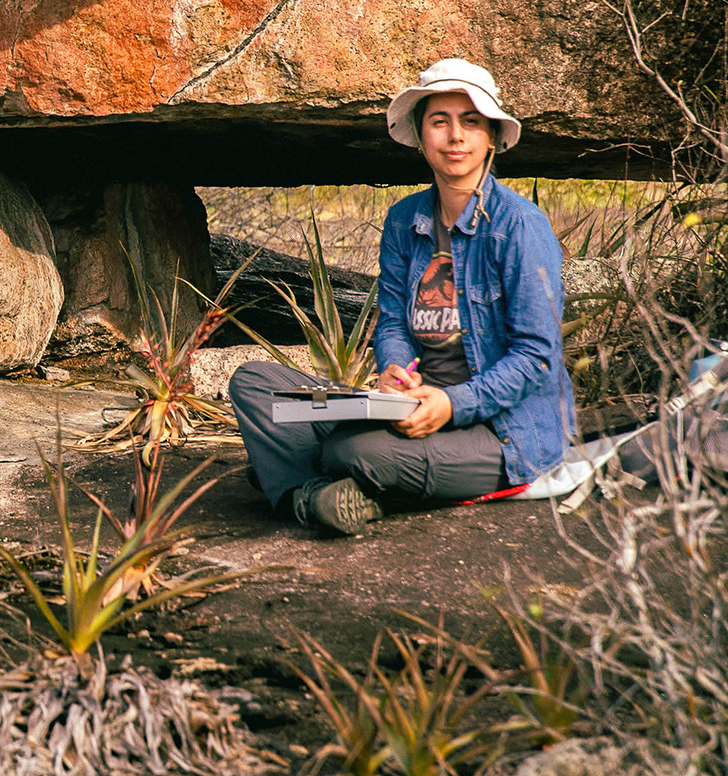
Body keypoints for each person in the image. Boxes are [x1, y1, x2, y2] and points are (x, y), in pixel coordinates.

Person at [228, 58, 576, 536]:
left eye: (471, 122)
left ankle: (295, 488)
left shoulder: (519, 227)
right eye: (440, 121)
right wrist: (395, 370)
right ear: (420, 135)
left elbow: (536, 357)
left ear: (492, 136)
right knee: (254, 383)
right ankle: (317, 494)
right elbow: (392, 322)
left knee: (351, 451)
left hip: (501, 430)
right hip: (409, 409)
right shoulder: (404, 221)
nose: (455, 136)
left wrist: (452, 404)